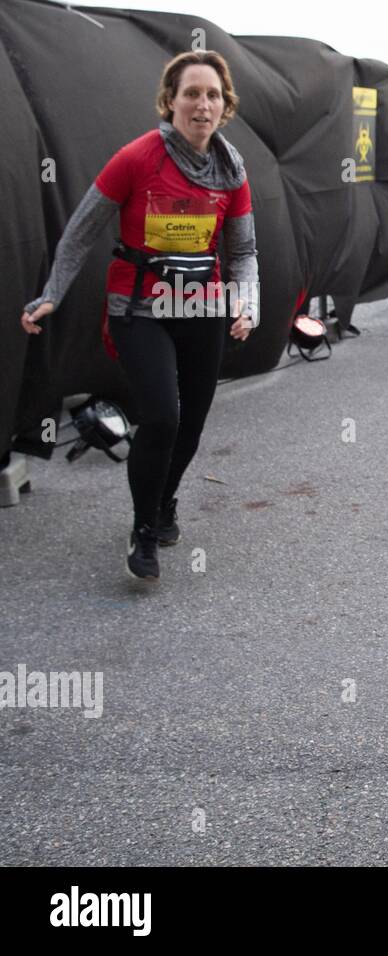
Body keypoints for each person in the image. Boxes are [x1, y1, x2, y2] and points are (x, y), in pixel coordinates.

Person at [20, 50, 258, 582]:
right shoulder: (137, 157)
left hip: (203, 305)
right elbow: (81, 229)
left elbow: (242, 253)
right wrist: (52, 292)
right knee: (163, 416)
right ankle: (143, 527)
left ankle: (165, 499)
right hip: (139, 306)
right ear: (170, 100)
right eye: (191, 93)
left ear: (225, 106)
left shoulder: (231, 168)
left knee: (192, 422)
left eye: (212, 94)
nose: (202, 104)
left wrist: (247, 303)